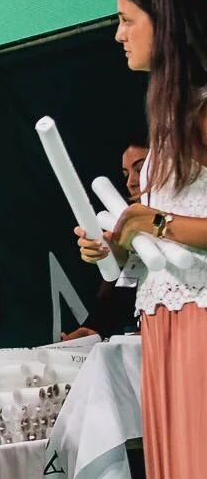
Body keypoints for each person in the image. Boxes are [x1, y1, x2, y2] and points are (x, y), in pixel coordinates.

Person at [75, 0, 207, 479]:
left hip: (197, 328)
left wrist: (146, 219)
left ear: (166, 22)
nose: (118, 34)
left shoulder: (203, 111)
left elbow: (178, 226)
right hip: (165, 326)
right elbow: (163, 244)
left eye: (128, 20)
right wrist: (118, 245)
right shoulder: (167, 117)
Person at [64, 145, 150, 341]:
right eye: (126, 174)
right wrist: (92, 328)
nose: (131, 182)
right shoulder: (126, 225)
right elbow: (120, 282)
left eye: (141, 169)